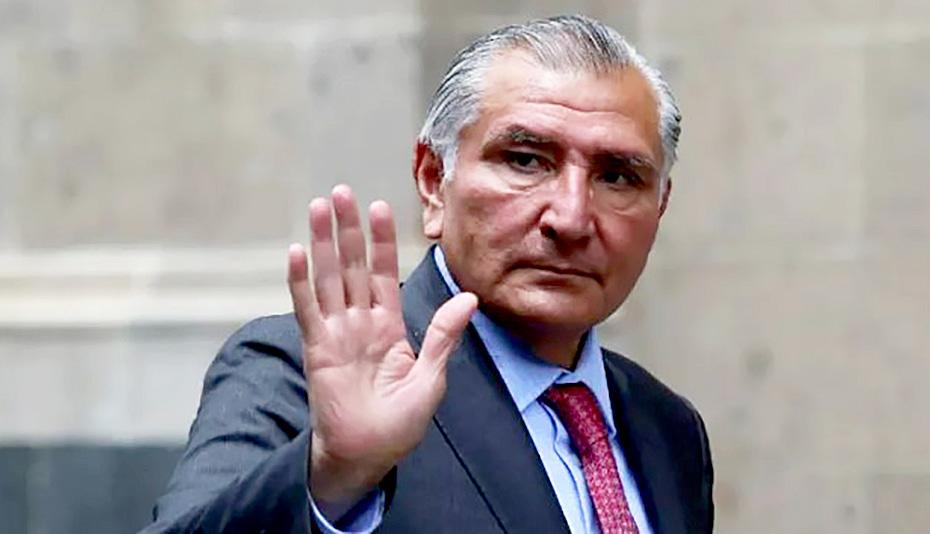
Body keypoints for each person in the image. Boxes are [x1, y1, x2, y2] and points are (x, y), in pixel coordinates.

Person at [144, 14, 713, 534]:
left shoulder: (666, 427)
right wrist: (334, 477)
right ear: (433, 181)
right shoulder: (296, 373)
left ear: (660, 206)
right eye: (525, 160)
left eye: (617, 177)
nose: (570, 217)